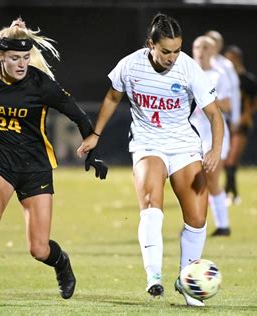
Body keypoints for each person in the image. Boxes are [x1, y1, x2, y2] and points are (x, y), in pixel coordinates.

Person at [0, 18, 108, 303]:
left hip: (35, 168)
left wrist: (93, 153)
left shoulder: (40, 84)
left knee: (39, 249)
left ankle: (61, 263)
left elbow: (78, 115)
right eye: (14, 58)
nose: (22, 64)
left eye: (25, 57)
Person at [77, 13, 224, 307]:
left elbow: (214, 115)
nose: (172, 57)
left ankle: (187, 282)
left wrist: (215, 150)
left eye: (177, 50)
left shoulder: (188, 69)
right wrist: (95, 134)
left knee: (197, 219)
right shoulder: (130, 66)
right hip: (147, 144)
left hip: (184, 147)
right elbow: (112, 98)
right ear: (150, 45)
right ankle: (154, 276)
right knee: (150, 203)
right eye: (166, 51)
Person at [191, 36, 232, 237]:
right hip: (192, 134)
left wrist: (209, 98)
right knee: (192, 180)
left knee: (212, 179)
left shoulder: (218, 76)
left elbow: (227, 105)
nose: (201, 51)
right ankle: (195, 222)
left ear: (212, 51)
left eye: (205, 47)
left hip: (214, 133)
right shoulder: (187, 73)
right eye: (197, 47)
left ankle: (223, 225)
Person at [204, 30, 242, 205]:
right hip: (198, 122)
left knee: (220, 164)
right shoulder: (195, 65)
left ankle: (225, 195)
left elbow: (233, 93)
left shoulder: (224, 66)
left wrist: (235, 118)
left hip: (219, 118)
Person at [223, 45, 257, 205]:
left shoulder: (247, 80)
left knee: (232, 158)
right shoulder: (224, 79)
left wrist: (247, 114)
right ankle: (233, 193)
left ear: (237, 59)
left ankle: (227, 194)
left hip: (241, 123)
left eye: (230, 58)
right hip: (226, 122)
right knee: (227, 160)